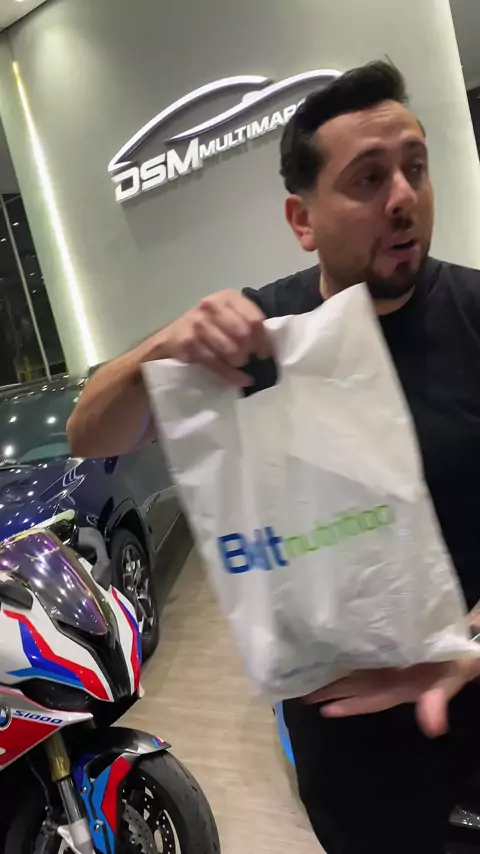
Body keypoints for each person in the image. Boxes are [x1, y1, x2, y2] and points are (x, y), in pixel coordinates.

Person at [68, 61, 480, 852]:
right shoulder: (255, 340)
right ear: (302, 218)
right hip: (346, 764)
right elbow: (91, 434)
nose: (403, 197)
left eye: (416, 168)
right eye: (369, 178)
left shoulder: (474, 317)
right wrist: (164, 344)